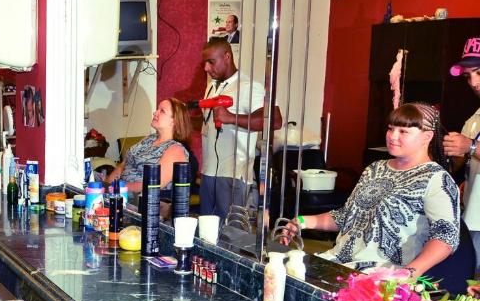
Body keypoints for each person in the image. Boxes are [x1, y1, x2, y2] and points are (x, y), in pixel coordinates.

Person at [288, 103, 458, 275]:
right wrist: (301, 221)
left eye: (403, 131)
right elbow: (347, 216)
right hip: (338, 263)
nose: (392, 136)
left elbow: (446, 237)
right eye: (391, 129)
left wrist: (408, 274)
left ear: (427, 136)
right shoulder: (375, 168)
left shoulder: (435, 178)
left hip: (381, 274)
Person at [198, 38, 279, 219]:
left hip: (233, 174)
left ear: (227, 57)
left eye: (211, 62)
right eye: (205, 62)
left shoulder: (249, 87)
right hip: (208, 172)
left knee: (231, 232)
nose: (206, 68)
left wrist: (231, 118)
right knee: (206, 230)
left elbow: (275, 121)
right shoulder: (211, 87)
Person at [440, 36, 480, 268]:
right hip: (472, 215)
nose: (474, 82)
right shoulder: (475, 117)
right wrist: (450, 152)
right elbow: (461, 162)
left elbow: (471, 148)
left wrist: (470, 147)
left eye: (479, 72)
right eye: (468, 76)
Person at [104, 97, 191, 191]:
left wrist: (116, 188)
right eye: (157, 109)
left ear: (174, 121)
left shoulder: (175, 150)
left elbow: (153, 185)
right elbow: (123, 164)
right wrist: (107, 186)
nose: (155, 113)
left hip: (144, 198)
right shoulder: (149, 139)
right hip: (119, 192)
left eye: (162, 111)